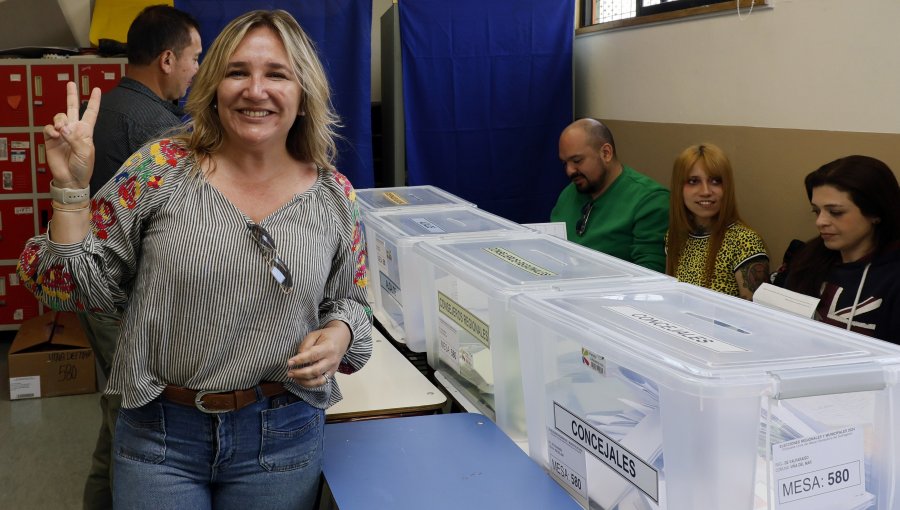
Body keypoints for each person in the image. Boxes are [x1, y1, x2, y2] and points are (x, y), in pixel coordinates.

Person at [17, 9, 372, 510]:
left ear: (304, 93)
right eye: (236, 72)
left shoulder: (334, 196)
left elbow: (354, 303)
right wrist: (71, 191)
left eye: (276, 74)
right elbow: (67, 287)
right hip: (160, 436)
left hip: (282, 433)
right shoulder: (161, 170)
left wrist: (340, 335)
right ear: (213, 86)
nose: (255, 89)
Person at [76, 6, 202, 508]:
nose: (197, 70)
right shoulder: (156, 129)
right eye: (194, 58)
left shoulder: (110, 105)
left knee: (115, 414)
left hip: (100, 291)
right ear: (168, 59)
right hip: (123, 302)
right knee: (134, 420)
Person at [782, 156, 900, 343]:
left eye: (835, 212)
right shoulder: (808, 259)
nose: (820, 221)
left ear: (876, 213)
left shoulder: (892, 275)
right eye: (816, 211)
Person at [551, 118, 669, 272]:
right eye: (565, 163)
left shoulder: (650, 201)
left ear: (606, 153)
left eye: (577, 160)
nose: (569, 171)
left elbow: (650, 274)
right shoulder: (569, 193)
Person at [665, 143, 769, 299]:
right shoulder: (675, 236)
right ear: (679, 187)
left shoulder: (745, 242)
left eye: (715, 181)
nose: (706, 191)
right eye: (694, 181)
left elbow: (753, 316)